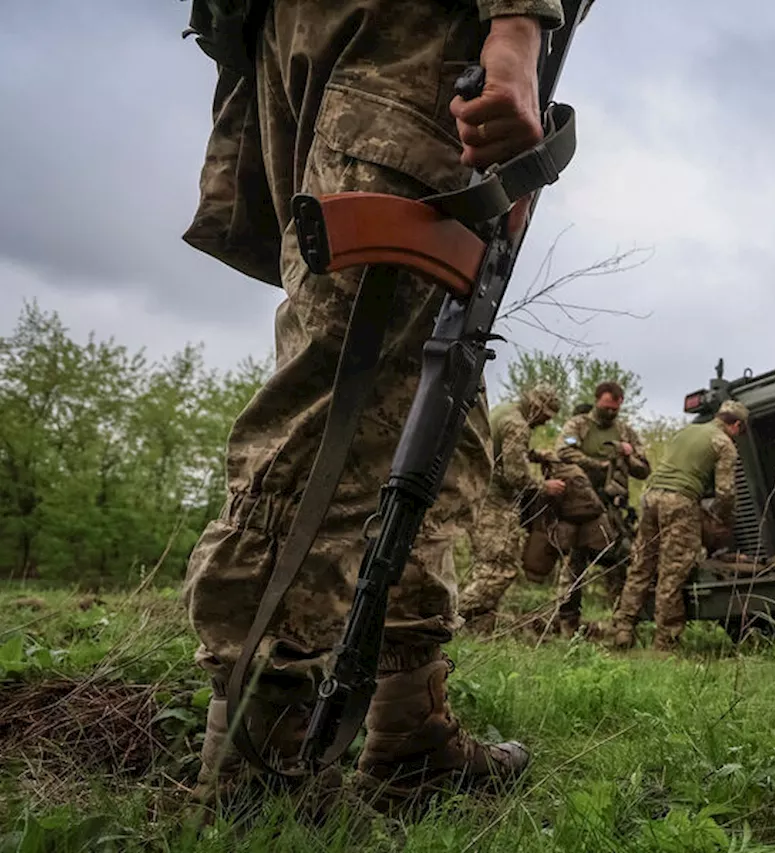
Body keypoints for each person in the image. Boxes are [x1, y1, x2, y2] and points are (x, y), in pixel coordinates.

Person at [178, 0, 565, 815]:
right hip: (412, 30)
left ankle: (406, 722)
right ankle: (258, 752)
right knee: (349, 377)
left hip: (318, 32)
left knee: (430, 387)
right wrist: (519, 26)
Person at [610, 400, 750, 651]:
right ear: (736, 425)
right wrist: (724, 518)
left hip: (650, 496)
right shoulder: (723, 443)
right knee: (672, 571)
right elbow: (726, 492)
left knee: (642, 565)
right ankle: (665, 642)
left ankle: (623, 628)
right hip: (679, 501)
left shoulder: (685, 431)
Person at [456, 383, 565, 634]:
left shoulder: (505, 410)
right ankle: (450, 618)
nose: (545, 423)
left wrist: (535, 455)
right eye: (545, 417)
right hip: (492, 500)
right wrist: (544, 486)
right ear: (537, 407)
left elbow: (500, 450)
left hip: (476, 490)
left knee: (488, 566)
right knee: (499, 570)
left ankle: (476, 631)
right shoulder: (517, 424)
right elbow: (516, 475)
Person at [550, 381, 649, 635]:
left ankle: (621, 624)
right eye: (606, 407)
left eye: (615, 409)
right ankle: (567, 624)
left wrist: (628, 455)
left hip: (612, 508)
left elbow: (644, 469)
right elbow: (563, 450)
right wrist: (597, 465)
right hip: (580, 507)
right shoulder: (578, 426)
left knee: (620, 561)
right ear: (597, 401)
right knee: (574, 564)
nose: (611, 413)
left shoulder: (625, 432)